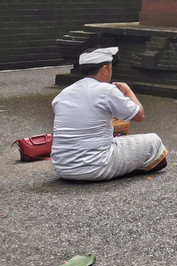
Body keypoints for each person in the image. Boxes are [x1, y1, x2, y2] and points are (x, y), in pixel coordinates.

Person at [50, 47, 168, 182]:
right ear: (104, 69)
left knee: (117, 140)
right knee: (154, 141)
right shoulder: (107, 90)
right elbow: (139, 115)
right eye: (111, 68)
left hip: (62, 168)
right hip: (95, 167)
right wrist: (128, 91)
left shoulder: (64, 93)